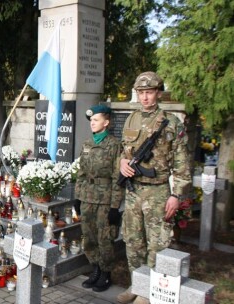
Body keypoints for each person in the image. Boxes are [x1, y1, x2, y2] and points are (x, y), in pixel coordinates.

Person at [117, 72, 191, 304]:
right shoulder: (131, 119)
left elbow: (181, 162)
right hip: (133, 190)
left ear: (158, 93)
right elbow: (124, 150)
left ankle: (150, 292)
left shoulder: (170, 122)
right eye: (141, 93)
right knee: (133, 241)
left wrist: (176, 194)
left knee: (157, 244)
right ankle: (136, 284)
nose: (145, 97)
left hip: (158, 192)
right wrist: (121, 162)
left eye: (149, 92)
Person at [73, 104, 123, 293]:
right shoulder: (87, 144)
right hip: (87, 198)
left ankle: (106, 273)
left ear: (106, 122)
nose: (92, 123)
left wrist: (114, 207)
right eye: (91, 120)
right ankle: (95, 269)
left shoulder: (114, 146)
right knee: (89, 237)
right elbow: (81, 173)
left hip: (105, 200)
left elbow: (118, 178)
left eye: (96, 120)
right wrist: (78, 198)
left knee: (105, 239)